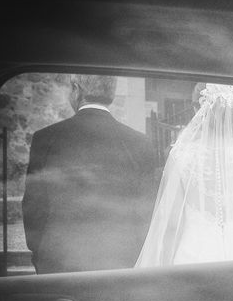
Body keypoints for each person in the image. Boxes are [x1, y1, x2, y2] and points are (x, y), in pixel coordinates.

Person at [135, 84, 233, 266]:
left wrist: (165, 267)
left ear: (198, 110)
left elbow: (171, 224)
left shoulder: (182, 156)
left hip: (194, 257)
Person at [22, 74, 156, 274]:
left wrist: (40, 255)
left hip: (59, 264)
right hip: (121, 264)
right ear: (110, 94)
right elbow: (147, 211)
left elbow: (34, 208)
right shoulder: (139, 142)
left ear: (76, 90)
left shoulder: (46, 138)